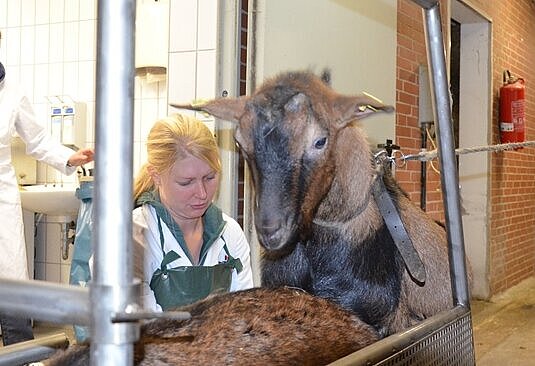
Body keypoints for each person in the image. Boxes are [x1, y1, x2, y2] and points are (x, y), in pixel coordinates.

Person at [0, 51, 94, 344]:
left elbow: (37, 139)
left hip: (1, 193)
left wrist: (69, 156)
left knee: (12, 274)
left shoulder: (12, 91)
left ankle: (20, 354)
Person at [132, 114, 254, 311]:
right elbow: (137, 328)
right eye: (186, 182)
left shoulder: (229, 233)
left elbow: (246, 312)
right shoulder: (133, 237)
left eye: (210, 177)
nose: (202, 193)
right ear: (156, 176)